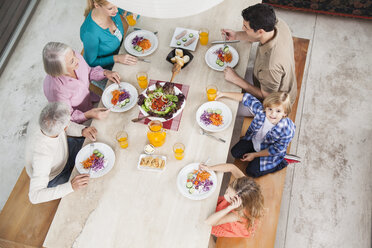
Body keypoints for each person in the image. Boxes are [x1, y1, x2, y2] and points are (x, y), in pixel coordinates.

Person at [221, 3, 297, 108]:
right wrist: (236, 35)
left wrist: (236, 79)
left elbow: (266, 96)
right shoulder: (277, 24)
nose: (243, 28)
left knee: (226, 102)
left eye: (246, 27)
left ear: (260, 31)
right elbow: (259, 36)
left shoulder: (270, 66)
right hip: (272, 80)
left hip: (277, 103)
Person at [25, 102, 97, 204]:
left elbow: (63, 123)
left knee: (94, 146)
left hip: (64, 150)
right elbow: (34, 196)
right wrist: (70, 187)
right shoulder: (42, 156)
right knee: (88, 187)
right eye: (68, 124)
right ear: (64, 128)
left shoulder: (47, 115)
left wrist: (82, 130)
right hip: (55, 175)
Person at [217, 91, 295, 177]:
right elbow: (245, 98)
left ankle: (282, 162)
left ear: (285, 113)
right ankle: (253, 153)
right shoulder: (261, 111)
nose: (273, 114)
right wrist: (222, 94)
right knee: (235, 152)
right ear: (266, 108)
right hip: (254, 141)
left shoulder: (286, 130)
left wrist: (254, 155)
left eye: (278, 111)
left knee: (251, 172)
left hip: (270, 152)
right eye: (270, 109)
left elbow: (274, 150)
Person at [43, 42, 120, 124]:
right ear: (60, 70)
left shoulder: (73, 56)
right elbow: (68, 117)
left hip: (92, 100)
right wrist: (88, 115)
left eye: (74, 54)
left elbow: (88, 72)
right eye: (72, 61)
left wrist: (105, 72)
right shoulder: (56, 91)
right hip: (80, 120)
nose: (78, 60)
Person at [204, 163, 264, 237]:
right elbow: (232, 167)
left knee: (205, 227)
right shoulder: (244, 186)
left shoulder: (238, 214)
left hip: (237, 223)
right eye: (227, 191)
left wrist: (228, 208)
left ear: (239, 202)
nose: (225, 196)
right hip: (237, 206)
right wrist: (209, 168)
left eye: (229, 197)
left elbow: (209, 222)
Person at [80, 0, 138, 70]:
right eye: (110, 8)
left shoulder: (112, 7)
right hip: (105, 70)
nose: (116, 10)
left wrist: (134, 11)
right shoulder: (90, 32)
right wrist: (116, 58)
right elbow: (91, 62)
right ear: (97, 5)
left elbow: (130, 13)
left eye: (117, 5)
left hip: (122, 53)